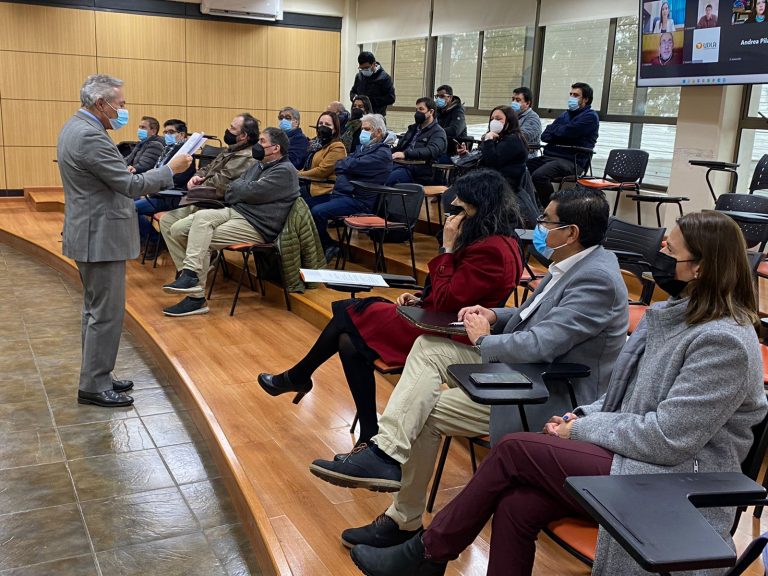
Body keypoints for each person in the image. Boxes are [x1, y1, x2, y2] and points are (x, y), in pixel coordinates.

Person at [349, 210, 767, 576]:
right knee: (516, 505)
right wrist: (580, 416)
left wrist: (583, 430)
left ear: (700, 268)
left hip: (673, 475)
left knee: (513, 451)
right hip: (633, 453)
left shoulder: (723, 342)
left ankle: (428, 553)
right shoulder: (673, 316)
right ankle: (425, 553)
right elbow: (621, 395)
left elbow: (670, 438)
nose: (657, 257)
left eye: (669, 251)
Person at [308, 187, 629, 549]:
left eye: (546, 221)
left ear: (571, 233)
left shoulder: (596, 278)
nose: (538, 227)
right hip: (521, 376)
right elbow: (533, 316)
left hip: (548, 396)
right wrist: (495, 314)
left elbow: (543, 342)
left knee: (424, 356)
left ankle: (385, 455)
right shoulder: (574, 264)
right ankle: (402, 513)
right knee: (426, 395)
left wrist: (483, 341)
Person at [257, 169, 524, 445]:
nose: (454, 213)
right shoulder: (489, 240)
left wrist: (447, 248)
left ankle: (299, 376)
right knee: (348, 341)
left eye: (461, 207)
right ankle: (365, 428)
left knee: (349, 311)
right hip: (434, 316)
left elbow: (451, 301)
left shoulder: (491, 250)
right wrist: (421, 297)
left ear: (479, 208)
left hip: (445, 332)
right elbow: (454, 292)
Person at [57, 74, 192, 407]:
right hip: (99, 235)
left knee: (95, 310)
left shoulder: (77, 126)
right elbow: (131, 188)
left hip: (91, 229)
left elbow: (106, 178)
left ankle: (98, 373)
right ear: (101, 103)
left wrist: (121, 173)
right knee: (105, 313)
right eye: (120, 104)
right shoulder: (90, 135)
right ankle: (93, 384)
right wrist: (171, 169)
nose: (124, 110)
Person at [160, 127, 299, 317]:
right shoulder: (258, 165)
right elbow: (232, 189)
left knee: (200, 237)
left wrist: (243, 190)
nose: (257, 145)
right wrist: (244, 190)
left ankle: (195, 296)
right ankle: (189, 275)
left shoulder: (285, 171)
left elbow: (247, 192)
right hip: (237, 211)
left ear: (275, 148)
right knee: (178, 228)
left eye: (262, 142)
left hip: (257, 225)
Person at [158, 113, 259, 256]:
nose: (228, 130)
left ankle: (196, 267)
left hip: (218, 205)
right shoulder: (230, 149)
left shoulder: (246, 156)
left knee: (179, 229)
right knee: (167, 221)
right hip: (203, 200)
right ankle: (186, 271)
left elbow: (220, 184)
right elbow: (206, 169)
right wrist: (196, 176)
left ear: (243, 135)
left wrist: (198, 184)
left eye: (232, 128)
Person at [310, 113, 392, 261]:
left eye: (367, 129)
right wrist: (347, 166)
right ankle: (316, 246)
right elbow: (341, 165)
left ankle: (328, 245)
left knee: (317, 212)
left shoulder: (382, 154)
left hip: (358, 201)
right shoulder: (362, 149)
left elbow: (349, 164)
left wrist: (347, 166)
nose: (362, 133)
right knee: (303, 204)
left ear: (378, 132)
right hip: (341, 195)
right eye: (362, 129)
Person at [526, 82, 599, 206]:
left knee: (539, 176)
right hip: (550, 157)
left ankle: (550, 209)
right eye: (570, 94)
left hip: (572, 161)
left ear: (585, 99)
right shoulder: (565, 115)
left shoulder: (591, 117)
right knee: (521, 168)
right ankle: (529, 205)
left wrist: (559, 132)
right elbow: (545, 135)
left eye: (575, 95)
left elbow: (570, 132)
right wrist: (563, 133)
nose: (571, 97)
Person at [134, 119, 196, 241]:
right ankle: (145, 238)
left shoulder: (186, 157)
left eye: (171, 132)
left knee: (131, 209)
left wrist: (149, 191)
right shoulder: (168, 150)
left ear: (182, 135)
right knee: (124, 201)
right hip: (156, 194)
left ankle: (154, 239)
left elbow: (176, 181)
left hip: (169, 198)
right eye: (165, 132)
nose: (167, 135)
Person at [386, 97, 447, 186]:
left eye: (421, 109)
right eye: (416, 109)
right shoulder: (413, 128)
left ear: (431, 112)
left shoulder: (438, 132)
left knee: (388, 180)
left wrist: (406, 154)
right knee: (376, 174)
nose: (417, 112)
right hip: (400, 164)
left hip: (419, 171)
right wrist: (383, 152)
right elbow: (399, 147)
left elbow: (432, 150)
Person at [299, 111, 347, 206]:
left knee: (296, 207)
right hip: (309, 187)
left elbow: (322, 171)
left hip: (325, 192)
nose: (323, 126)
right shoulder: (316, 145)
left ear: (335, 129)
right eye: (320, 124)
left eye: (327, 124)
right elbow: (308, 167)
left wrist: (298, 174)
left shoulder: (337, 147)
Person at [350, 51, 396, 116]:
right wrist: (355, 98)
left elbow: (391, 98)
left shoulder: (384, 78)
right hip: (359, 116)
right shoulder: (359, 76)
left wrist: (368, 101)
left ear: (374, 64)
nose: (364, 70)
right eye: (361, 68)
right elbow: (353, 91)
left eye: (366, 68)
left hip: (376, 116)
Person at [434, 85, 466, 157]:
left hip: (453, 152)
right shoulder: (438, 111)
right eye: (437, 96)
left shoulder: (458, 111)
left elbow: (454, 130)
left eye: (442, 96)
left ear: (450, 97)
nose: (439, 99)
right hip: (438, 148)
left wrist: (434, 131)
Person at [510, 86, 542, 158]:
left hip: (526, 157)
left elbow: (521, 137)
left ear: (527, 103)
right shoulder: (510, 115)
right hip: (509, 152)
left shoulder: (533, 118)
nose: (514, 102)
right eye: (513, 99)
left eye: (518, 100)